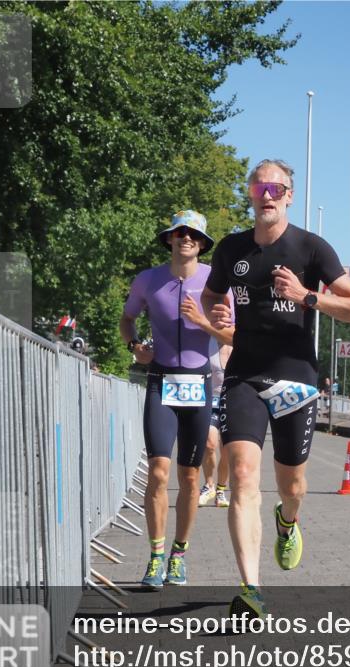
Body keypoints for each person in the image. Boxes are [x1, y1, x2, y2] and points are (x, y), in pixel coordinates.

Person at [201, 159, 350, 618]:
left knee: (291, 484)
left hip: (295, 376)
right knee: (242, 474)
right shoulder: (232, 249)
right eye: (260, 187)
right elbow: (211, 296)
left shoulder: (312, 248)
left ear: (290, 196)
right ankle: (250, 589)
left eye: (276, 188)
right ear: (250, 194)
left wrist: (307, 296)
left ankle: (288, 520)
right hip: (244, 373)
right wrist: (216, 311)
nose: (267, 195)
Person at [121, 210, 234, 589]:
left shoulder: (216, 284)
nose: (186, 238)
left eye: (193, 234)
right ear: (169, 238)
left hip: (198, 384)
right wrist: (135, 346)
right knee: (157, 471)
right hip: (161, 380)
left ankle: (179, 554)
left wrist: (202, 321)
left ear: (202, 244)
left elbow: (234, 336)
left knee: (189, 476)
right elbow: (127, 319)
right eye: (179, 232)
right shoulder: (148, 280)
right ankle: (155, 555)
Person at [198, 323, 233, 508]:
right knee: (209, 444)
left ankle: (221, 489)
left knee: (226, 450)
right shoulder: (208, 340)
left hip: (233, 400)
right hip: (212, 399)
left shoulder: (239, 340)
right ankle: (209, 484)